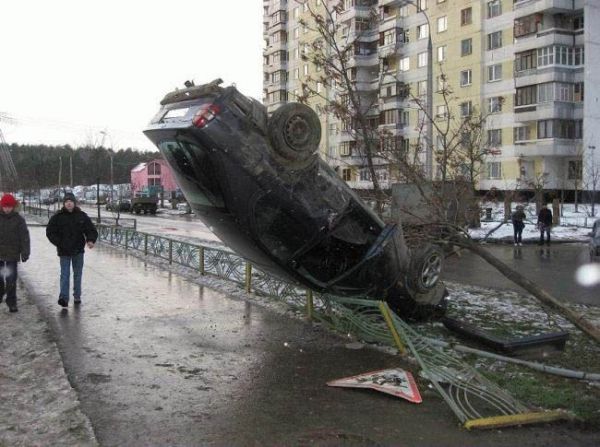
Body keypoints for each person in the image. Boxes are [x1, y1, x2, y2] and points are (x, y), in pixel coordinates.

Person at [46, 192, 98, 307]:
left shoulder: (81, 216)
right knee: (65, 274)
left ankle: (77, 295)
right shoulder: (57, 217)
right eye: (67, 202)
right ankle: (64, 298)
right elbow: (50, 232)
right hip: (64, 251)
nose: (69, 204)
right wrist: (59, 243)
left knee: (77, 274)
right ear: (64, 204)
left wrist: (90, 240)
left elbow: (91, 229)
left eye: (71, 202)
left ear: (74, 203)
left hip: (78, 250)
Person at [0, 193, 30, 313]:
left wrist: (25, 252)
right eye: (5, 206)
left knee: (11, 279)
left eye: (9, 206)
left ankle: (12, 302)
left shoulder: (19, 220)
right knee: (0, 278)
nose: (7, 208)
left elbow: (24, 237)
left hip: (12, 254)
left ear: (13, 206)